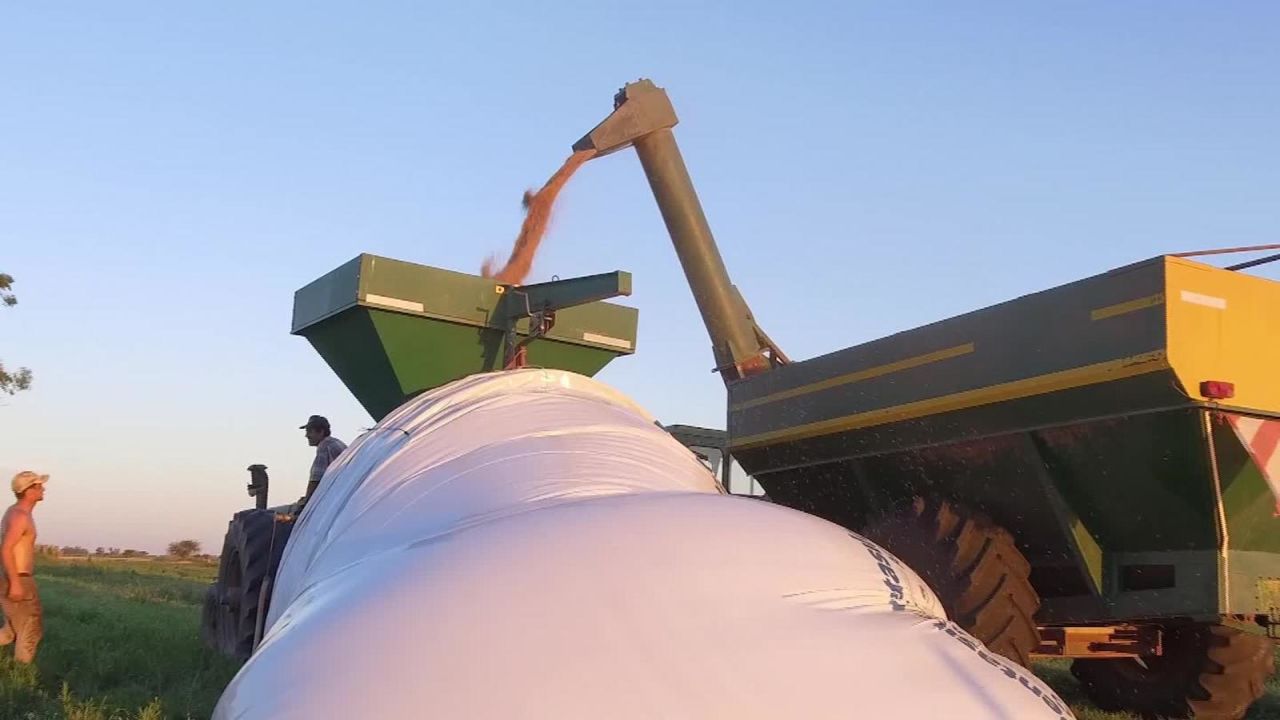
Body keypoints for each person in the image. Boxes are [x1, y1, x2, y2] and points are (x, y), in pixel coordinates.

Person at [1, 470, 47, 663]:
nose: (43, 488)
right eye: (38, 485)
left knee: (11, 631)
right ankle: (22, 678)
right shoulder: (20, 516)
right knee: (30, 631)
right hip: (18, 577)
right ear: (28, 490)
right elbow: (6, 549)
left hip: (13, 577)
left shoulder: (14, 512)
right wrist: (16, 583)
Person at [301, 415, 346, 501]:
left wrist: (306, 502)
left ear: (321, 431)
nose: (306, 435)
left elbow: (316, 478)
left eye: (309, 432)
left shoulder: (324, 446)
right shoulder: (336, 442)